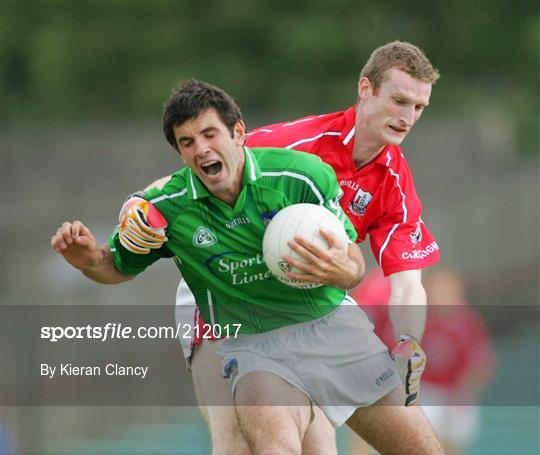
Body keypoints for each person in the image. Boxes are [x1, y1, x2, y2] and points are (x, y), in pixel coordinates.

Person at [51, 79, 442, 454]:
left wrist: (341, 271)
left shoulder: (300, 175)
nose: (202, 150)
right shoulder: (167, 209)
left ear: (239, 133)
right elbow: (115, 266)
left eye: (209, 135)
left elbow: (354, 266)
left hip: (332, 328)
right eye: (187, 143)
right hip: (254, 345)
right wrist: (87, 260)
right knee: (263, 446)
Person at [148, 40, 441, 452]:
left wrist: (409, 340)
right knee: (236, 442)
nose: (408, 116)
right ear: (365, 89)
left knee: (319, 445)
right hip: (224, 297)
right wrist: (138, 206)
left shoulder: (395, 183)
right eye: (399, 100)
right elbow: (193, 175)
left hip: (304, 309)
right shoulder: (297, 145)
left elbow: (409, 283)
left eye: (418, 107)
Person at [350, 267, 495, 455]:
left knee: (452, 440)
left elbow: (480, 365)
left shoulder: (467, 323)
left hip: (454, 394)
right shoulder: (413, 318)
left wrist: (459, 395)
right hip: (420, 389)